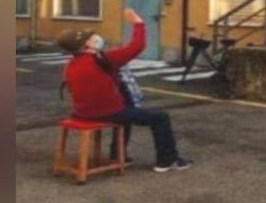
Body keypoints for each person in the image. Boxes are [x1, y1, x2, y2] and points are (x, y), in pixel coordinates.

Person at [57, 9, 192, 172]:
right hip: (105, 112)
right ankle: (167, 160)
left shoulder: (70, 64)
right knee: (160, 117)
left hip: (82, 113)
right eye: (91, 38)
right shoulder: (101, 59)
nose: (95, 38)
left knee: (126, 108)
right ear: (87, 45)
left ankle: (117, 153)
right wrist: (138, 23)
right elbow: (137, 46)